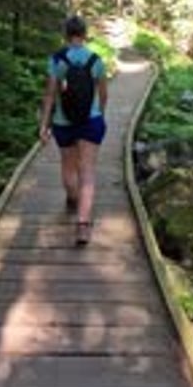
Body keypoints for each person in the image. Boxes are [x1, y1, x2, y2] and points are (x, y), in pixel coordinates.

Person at [39, 15, 108, 246]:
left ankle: (72, 197)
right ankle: (82, 225)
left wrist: (44, 125)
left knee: (68, 166)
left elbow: (50, 94)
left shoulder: (57, 59)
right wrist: (99, 114)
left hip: (63, 121)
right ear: (84, 34)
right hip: (91, 121)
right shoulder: (96, 60)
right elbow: (103, 94)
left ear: (65, 34)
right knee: (87, 172)